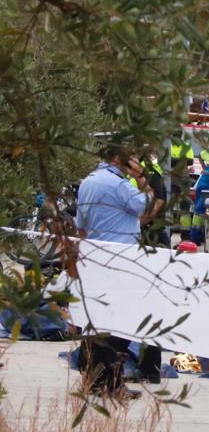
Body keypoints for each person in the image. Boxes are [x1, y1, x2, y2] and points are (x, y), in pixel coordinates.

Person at [75, 144, 156, 398]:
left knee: (98, 320)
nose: (135, 163)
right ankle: (111, 383)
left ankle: (92, 379)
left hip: (97, 255)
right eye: (132, 159)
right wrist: (142, 179)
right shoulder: (118, 184)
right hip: (121, 258)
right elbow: (146, 205)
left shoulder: (89, 181)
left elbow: (81, 224)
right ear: (118, 159)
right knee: (119, 323)